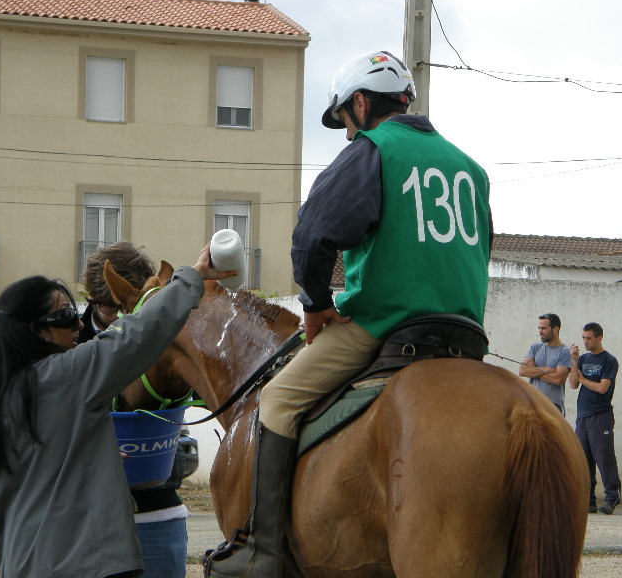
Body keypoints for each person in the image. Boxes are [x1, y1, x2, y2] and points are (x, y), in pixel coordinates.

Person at [206, 50, 492, 578]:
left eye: (342, 118)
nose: (344, 132)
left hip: (387, 326)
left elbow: (315, 234)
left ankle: (261, 552)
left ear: (360, 102)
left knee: (277, 401)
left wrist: (315, 305)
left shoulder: (373, 149)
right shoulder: (470, 167)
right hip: (467, 338)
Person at [0, 245, 233, 578]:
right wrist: (193, 276)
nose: (78, 324)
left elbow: (1, 504)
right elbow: (139, 334)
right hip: (84, 565)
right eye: (65, 315)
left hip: (21, 562)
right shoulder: (65, 375)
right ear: (34, 330)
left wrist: (95, 467)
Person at [81, 241, 189, 578]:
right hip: (88, 514)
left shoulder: (168, 336)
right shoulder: (67, 342)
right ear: (92, 300)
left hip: (156, 503)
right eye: (110, 309)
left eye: (128, 307)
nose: (121, 317)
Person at [569, 322, 622, 515]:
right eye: (583, 337)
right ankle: (588, 500)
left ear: (599, 338)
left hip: (601, 415)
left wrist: (584, 380)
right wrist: (574, 361)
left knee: (604, 457)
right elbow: (573, 384)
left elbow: (602, 388)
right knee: (584, 459)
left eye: (589, 338)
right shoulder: (582, 358)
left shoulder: (609, 360)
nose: (585, 341)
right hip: (583, 415)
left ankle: (611, 498)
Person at [519, 312, 572, 415]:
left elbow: (558, 379)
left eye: (543, 328)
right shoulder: (535, 347)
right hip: (532, 402)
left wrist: (534, 369)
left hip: (553, 406)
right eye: (539, 328)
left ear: (555, 329)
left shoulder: (565, 351)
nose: (540, 331)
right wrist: (548, 369)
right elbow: (522, 371)